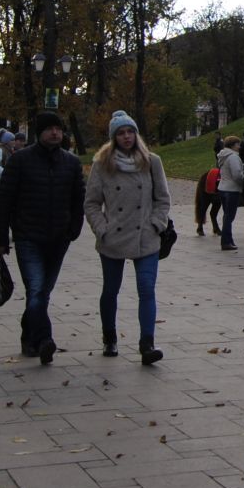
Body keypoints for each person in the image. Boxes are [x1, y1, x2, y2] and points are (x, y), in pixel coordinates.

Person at [0, 111, 86, 365]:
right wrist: (1, 236)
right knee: (36, 289)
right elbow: (5, 200)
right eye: (49, 129)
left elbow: (79, 199)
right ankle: (45, 340)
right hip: (28, 236)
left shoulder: (71, 163)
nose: (55, 133)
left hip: (59, 238)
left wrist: (74, 228)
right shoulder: (21, 161)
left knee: (42, 291)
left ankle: (28, 336)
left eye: (58, 128)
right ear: (39, 132)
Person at [84, 110, 170, 365]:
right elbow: (91, 203)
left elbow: (163, 198)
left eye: (130, 131)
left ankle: (147, 343)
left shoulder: (151, 161)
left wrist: (156, 223)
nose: (126, 137)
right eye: (121, 133)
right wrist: (102, 228)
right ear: (113, 138)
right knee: (110, 290)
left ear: (136, 134)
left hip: (146, 237)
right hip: (113, 238)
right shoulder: (102, 165)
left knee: (146, 289)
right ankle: (109, 337)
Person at [214, 134, 244, 250]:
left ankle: (229, 239)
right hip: (232, 189)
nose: (239, 146)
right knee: (229, 217)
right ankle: (226, 241)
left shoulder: (223, 156)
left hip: (222, 187)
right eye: (238, 144)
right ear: (233, 145)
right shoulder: (233, 157)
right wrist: (243, 182)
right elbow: (237, 175)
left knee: (226, 216)